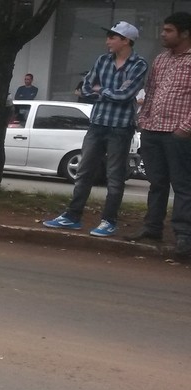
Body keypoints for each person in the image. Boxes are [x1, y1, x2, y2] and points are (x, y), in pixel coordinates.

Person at [43, 21, 148, 237]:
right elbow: (85, 89)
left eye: (112, 36)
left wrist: (103, 91)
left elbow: (126, 95)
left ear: (126, 40)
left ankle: (109, 221)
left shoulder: (139, 64)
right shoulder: (102, 60)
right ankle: (72, 216)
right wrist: (109, 91)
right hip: (98, 123)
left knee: (115, 176)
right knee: (84, 171)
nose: (107, 41)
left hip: (121, 126)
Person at [133, 12, 191, 257]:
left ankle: (184, 236)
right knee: (156, 184)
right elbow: (151, 92)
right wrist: (143, 120)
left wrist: (185, 129)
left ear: (185, 33)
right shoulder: (160, 60)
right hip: (152, 131)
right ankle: (152, 228)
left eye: (168, 31)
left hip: (179, 134)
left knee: (183, 186)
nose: (162, 34)